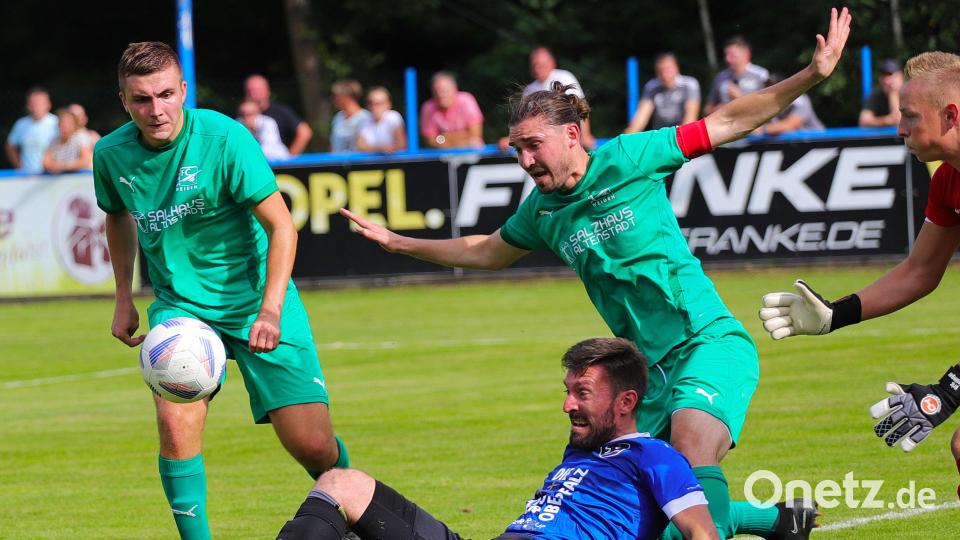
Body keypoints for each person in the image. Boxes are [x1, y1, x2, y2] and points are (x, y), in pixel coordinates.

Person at [340, 8, 851, 539]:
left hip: (705, 340)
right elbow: (487, 251)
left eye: (533, 145)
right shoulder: (540, 211)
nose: (524, 160)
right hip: (641, 373)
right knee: (618, 494)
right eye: (516, 149)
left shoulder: (631, 157)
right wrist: (398, 242)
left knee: (688, 452)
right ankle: (779, 520)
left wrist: (812, 75)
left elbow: (728, 121)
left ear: (572, 135)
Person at [93, 42, 349, 540]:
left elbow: (282, 228)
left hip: (257, 298)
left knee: (313, 446)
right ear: (123, 100)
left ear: (183, 91)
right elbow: (117, 216)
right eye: (141, 99)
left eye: (166, 95)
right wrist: (124, 296)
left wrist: (271, 310)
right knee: (174, 423)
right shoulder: (110, 153)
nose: (156, 109)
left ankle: (357, 511)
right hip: (181, 308)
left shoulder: (225, 138)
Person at [277, 337, 719, 540]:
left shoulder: (656, 456)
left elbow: (702, 532)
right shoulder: (580, 452)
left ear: (626, 402)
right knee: (340, 483)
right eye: (566, 392)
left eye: (581, 393)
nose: (567, 405)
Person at [758, 50, 960, 463]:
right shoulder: (947, 182)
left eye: (910, 116)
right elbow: (920, 272)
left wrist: (947, 392)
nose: (900, 129)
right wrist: (837, 314)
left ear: (951, 116)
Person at [523, 47, 596, 149]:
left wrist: (585, 135)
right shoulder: (529, 90)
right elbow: (525, 121)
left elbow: (580, 106)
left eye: (541, 65)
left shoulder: (564, 77)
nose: (537, 69)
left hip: (568, 137)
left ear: (552, 63)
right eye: (535, 65)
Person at [625, 52, 701, 133]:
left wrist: (679, 139)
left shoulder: (690, 84)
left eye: (668, 70)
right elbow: (640, 118)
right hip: (660, 137)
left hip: (683, 135)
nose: (664, 75)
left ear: (676, 68)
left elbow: (690, 117)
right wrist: (626, 139)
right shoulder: (651, 87)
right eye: (660, 71)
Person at [245, 74, 313, 155]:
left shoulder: (281, 112)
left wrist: (289, 159)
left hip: (278, 163)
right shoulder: (241, 116)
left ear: (268, 91)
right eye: (250, 90)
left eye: (258, 90)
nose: (254, 94)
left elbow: (305, 132)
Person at [704, 36, 769, 115]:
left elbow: (767, 105)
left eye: (732, 55)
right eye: (726, 55)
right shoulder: (720, 77)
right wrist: (720, 109)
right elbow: (707, 109)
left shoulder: (761, 74)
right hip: (726, 124)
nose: (727, 59)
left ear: (746, 54)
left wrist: (739, 98)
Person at [420, 71, 484, 149]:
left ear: (455, 89)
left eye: (444, 90)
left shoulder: (466, 100)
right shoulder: (428, 107)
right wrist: (462, 137)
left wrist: (444, 137)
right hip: (442, 155)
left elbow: (475, 136)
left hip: (470, 153)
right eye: (436, 91)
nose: (440, 94)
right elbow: (430, 141)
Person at [5, 86, 59, 173]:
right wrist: (19, 166)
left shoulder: (57, 123)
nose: (36, 107)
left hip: (51, 176)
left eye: (40, 103)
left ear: (48, 104)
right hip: (27, 176)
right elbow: (10, 145)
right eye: (33, 103)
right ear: (28, 105)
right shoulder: (21, 124)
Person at [755, 74, 824, 135]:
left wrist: (762, 129)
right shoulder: (768, 104)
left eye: (774, 86)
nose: (770, 90)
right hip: (792, 142)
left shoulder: (799, 99)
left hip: (818, 141)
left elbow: (790, 125)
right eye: (768, 86)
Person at [356, 86, 406, 153]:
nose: (373, 106)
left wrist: (371, 148)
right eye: (370, 103)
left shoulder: (394, 117)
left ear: (388, 104)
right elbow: (360, 146)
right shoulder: (364, 120)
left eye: (378, 103)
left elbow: (401, 145)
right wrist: (382, 148)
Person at [43, 108, 93, 173]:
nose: (65, 125)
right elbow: (45, 162)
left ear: (74, 125)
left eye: (68, 123)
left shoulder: (81, 137)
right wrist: (54, 166)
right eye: (62, 122)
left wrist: (64, 166)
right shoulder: (54, 140)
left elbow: (86, 160)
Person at [858, 58, 903, 127]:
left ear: (900, 77)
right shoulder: (875, 94)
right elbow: (863, 121)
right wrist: (888, 120)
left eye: (889, 75)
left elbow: (898, 119)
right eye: (883, 76)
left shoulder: (910, 92)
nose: (885, 80)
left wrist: (893, 94)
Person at [329, 79, 372, 153]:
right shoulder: (337, 117)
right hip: (337, 163)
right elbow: (333, 147)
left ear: (347, 97)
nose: (333, 99)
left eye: (336, 96)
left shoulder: (366, 118)